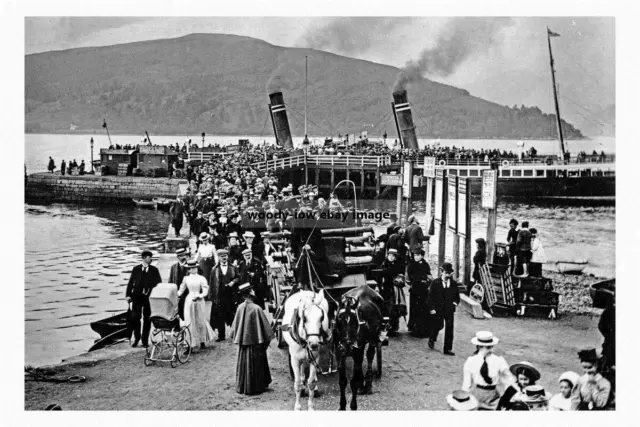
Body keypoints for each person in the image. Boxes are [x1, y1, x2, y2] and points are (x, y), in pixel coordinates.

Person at [231, 283, 274, 395]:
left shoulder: (240, 308)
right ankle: (257, 387)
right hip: (256, 346)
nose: (254, 292)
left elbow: (234, 329)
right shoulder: (257, 309)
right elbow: (267, 331)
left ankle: (244, 386)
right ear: (250, 293)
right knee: (258, 362)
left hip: (244, 345)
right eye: (252, 290)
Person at [461, 331, 515, 410]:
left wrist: (506, 394)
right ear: (479, 347)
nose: (490, 350)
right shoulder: (471, 361)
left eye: (491, 347)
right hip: (477, 393)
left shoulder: (498, 360)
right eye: (487, 347)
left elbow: (509, 377)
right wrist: (465, 398)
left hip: (493, 394)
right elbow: (466, 383)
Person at [125, 250, 162, 348]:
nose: (151, 259)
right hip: (136, 297)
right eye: (150, 257)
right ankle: (137, 338)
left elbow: (159, 284)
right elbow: (130, 283)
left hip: (149, 298)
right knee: (136, 318)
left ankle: (145, 341)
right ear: (144, 258)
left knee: (147, 319)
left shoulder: (154, 270)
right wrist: (128, 295)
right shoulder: (136, 269)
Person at [178, 260, 216, 350]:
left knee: (200, 320)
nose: (193, 269)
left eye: (194, 267)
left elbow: (205, 290)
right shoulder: (186, 278)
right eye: (191, 268)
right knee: (189, 321)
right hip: (189, 300)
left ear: (197, 268)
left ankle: (202, 341)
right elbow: (181, 290)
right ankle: (190, 344)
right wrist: (176, 295)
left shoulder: (201, 278)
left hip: (199, 300)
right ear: (188, 269)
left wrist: (200, 296)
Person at [426, 262, 460, 355]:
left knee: (449, 328)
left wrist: (454, 304)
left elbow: (457, 297)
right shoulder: (435, 283)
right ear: (441, 272)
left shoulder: (453, 284)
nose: (447, 275)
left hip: (449, 309)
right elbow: (430, 297)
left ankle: (447, 348)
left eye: (449, 273)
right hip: (437, 309)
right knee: (437, 325)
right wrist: (431, 308)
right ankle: (432, 338)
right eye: (445, 273)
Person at [209, 249, 241, 341]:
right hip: (219, 296)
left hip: (231, 295)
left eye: (225, 256)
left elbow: (238, 277)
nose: (224, 258)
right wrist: (212, 297)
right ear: (218, 258)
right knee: (219, 316)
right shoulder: (214, 269)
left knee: (232, 315)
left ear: (228, 257)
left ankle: (235, 334)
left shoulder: (233, 267)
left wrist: (233, 282)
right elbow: (211, 283)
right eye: (222, 257)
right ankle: (221, 336)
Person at [407, 248, 432, 337]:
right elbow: (410, 276)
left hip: (423, 291)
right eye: (415, 255)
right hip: (415, 289)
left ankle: (422, 329)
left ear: (422, 256)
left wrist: (426, 280)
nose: (416, 257)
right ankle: (414, 328)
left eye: (418, 255)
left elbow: (429, 275)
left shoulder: (425, 265)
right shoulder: (412, 264)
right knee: (414, 309)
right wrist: (420, 279)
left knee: (423, 309)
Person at [380, 248, 405, 335]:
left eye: (393, 256)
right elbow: (384, 274)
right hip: (386, 289)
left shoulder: (397, 265)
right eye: (389, 255)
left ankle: (394, 326)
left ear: (395, 257)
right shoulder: (384, 264)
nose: (391, 257)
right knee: (388, 308)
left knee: (395, 307)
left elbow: (401, 274)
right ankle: (387, 327)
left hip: (395, 289)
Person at [169, 248, 189, 319]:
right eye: (181, 256)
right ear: (178, 257)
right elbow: (170, 281)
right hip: (177, 293)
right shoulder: (173, 267)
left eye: (184, 255)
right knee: (177, 312)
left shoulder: (191, 266)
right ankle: (177, 328)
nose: (183, 257)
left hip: (188, 293)